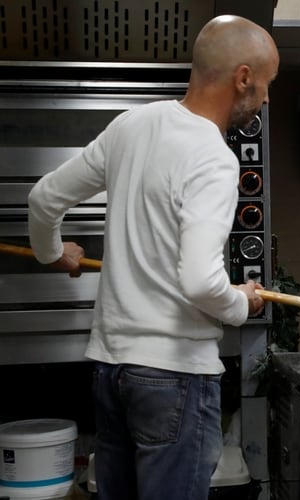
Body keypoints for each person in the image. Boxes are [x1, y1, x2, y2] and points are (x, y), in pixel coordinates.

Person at [27, 15, 278, 500]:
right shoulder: (213, 156)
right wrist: (242, 302)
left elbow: (43, 199)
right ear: (243, 77)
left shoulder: (132, 125)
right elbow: (203, 283)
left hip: (111, 370)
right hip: (176, 375)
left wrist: (52, 253)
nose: (266, 98)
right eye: (267, 84)